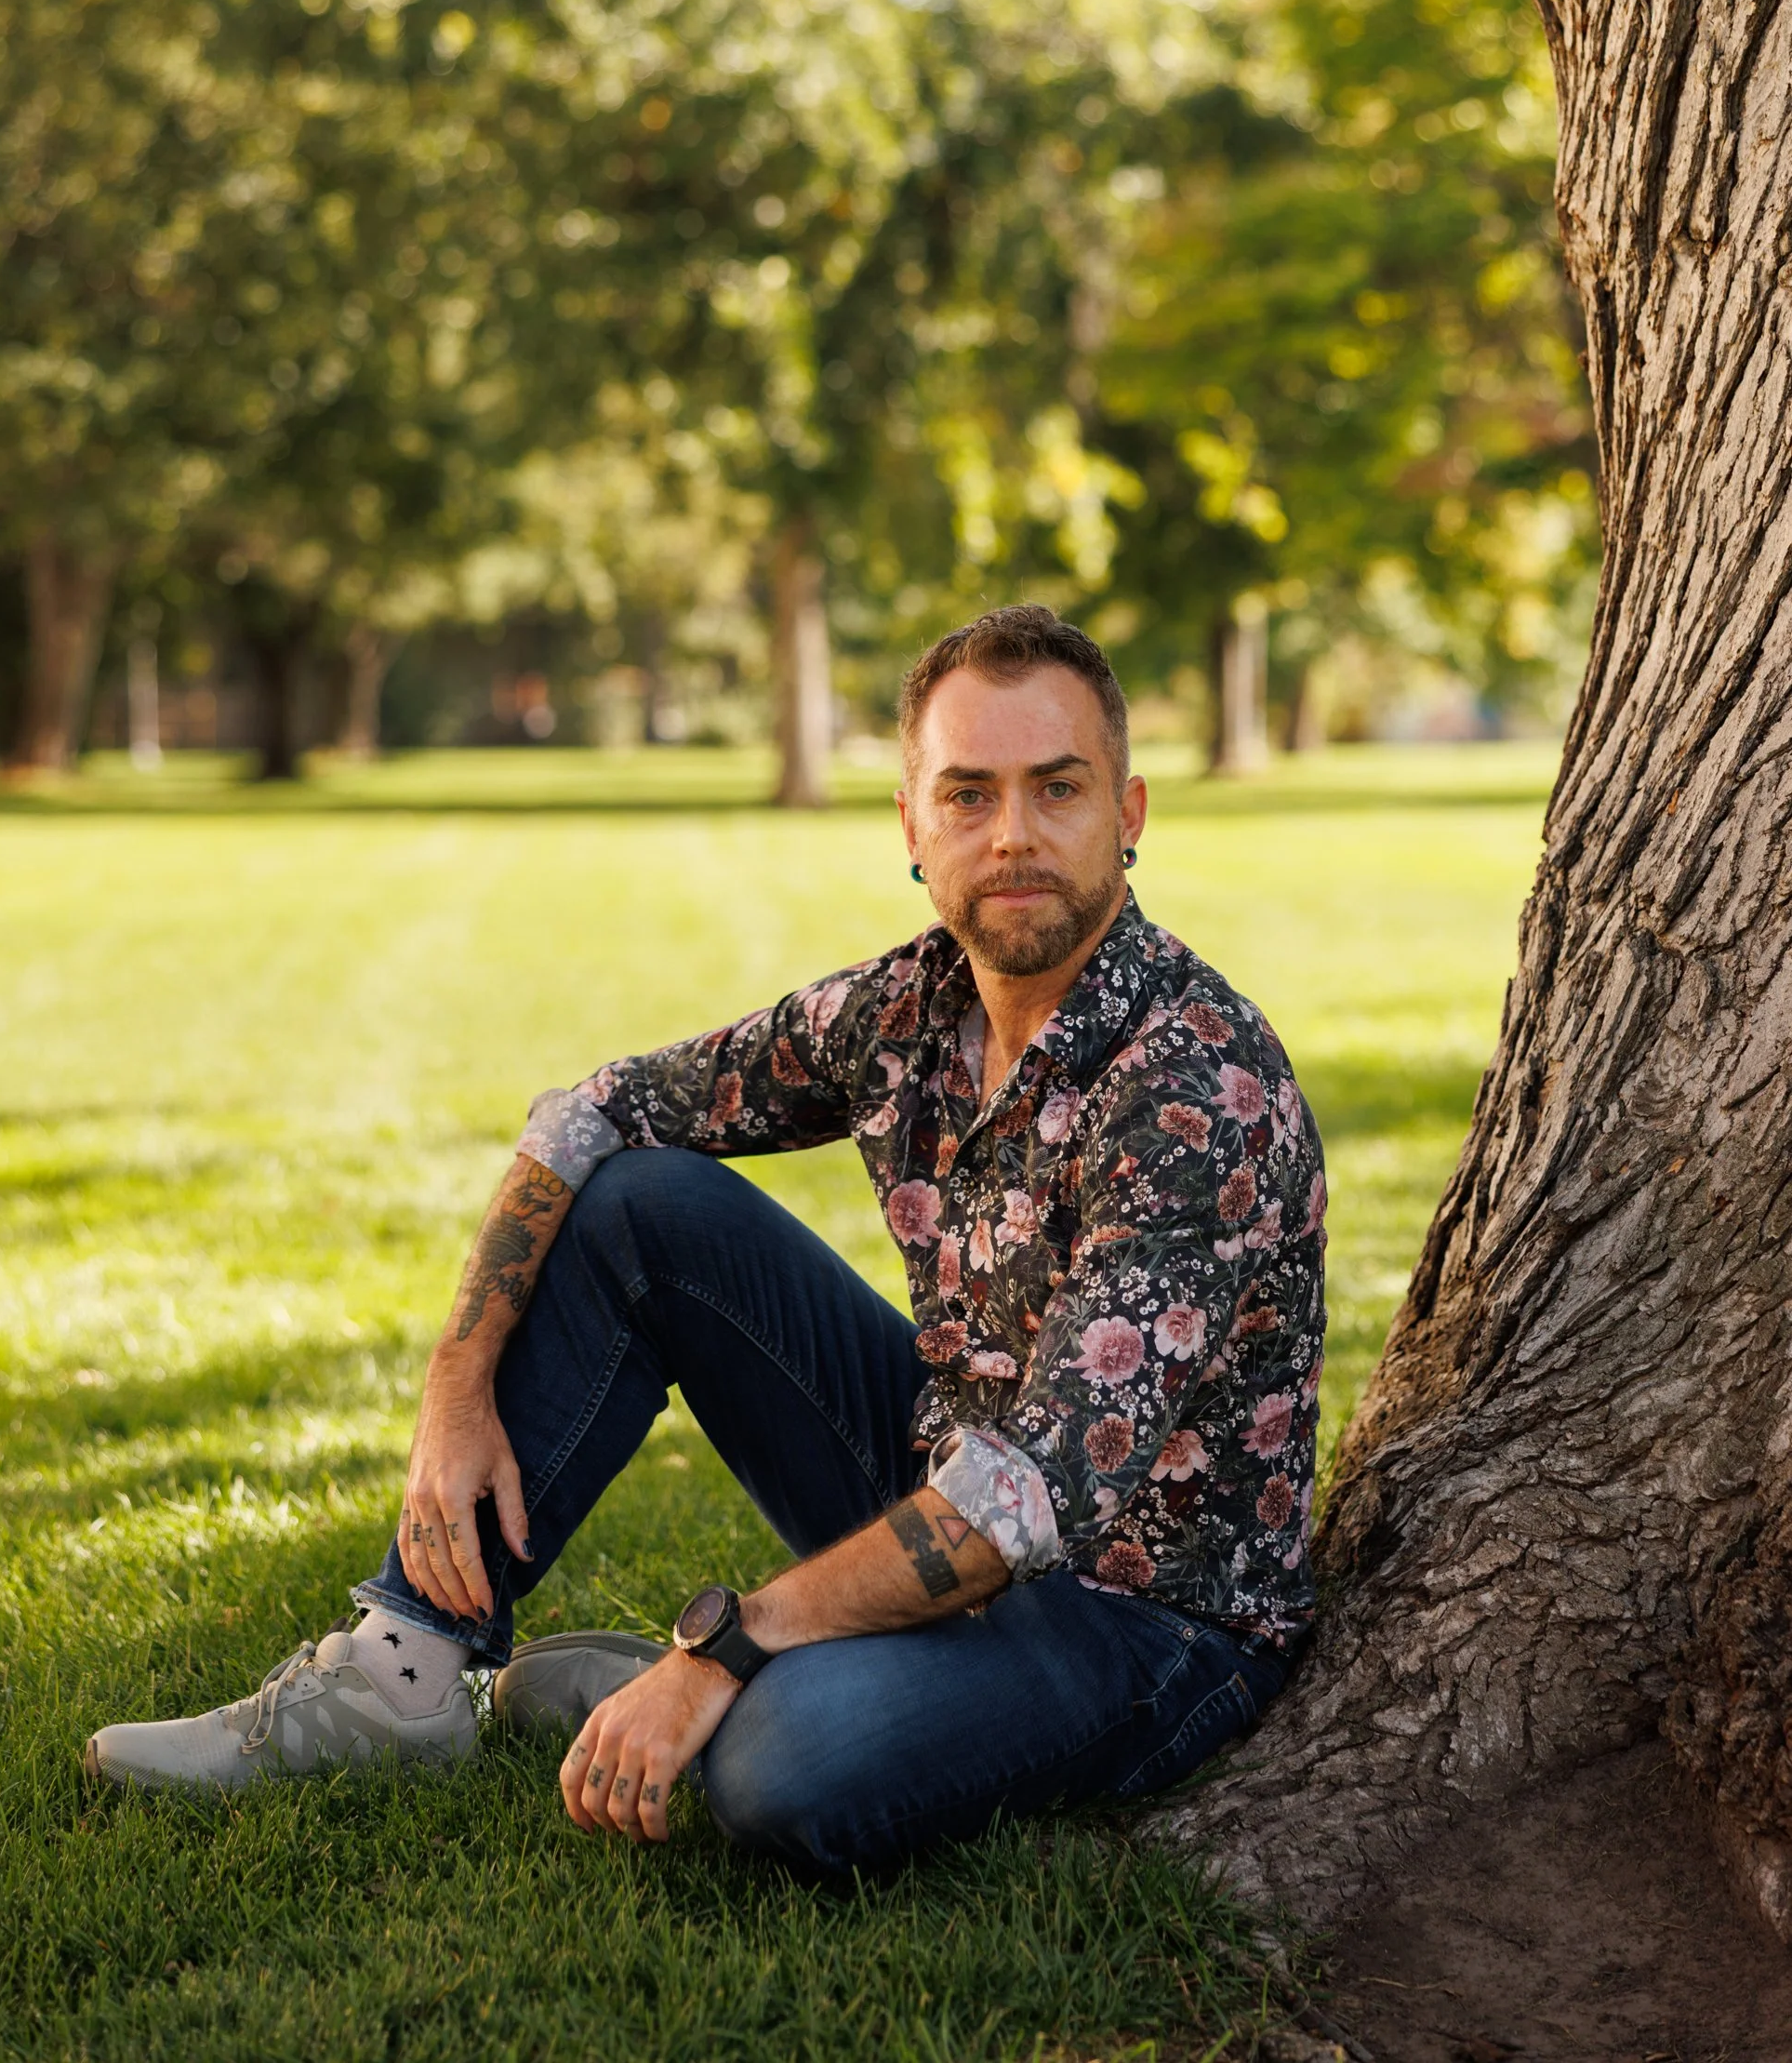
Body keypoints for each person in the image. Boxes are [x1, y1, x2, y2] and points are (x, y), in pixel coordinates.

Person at [86, 605, 1326, 1877]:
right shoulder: (910, 1010)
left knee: (778, 1772)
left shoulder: (1196, 1088)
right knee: (641, 1207)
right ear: (912, 828)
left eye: (1056, 788)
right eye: (968, 794)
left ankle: (722, 1688)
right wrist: (455, 1381)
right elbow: (593, 1113)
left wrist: (726, 1645)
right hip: (950, 1468)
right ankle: (400, 1671)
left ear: (1128, 812)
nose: (1011, 834)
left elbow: (1028, 1504)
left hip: (1144, 1617)